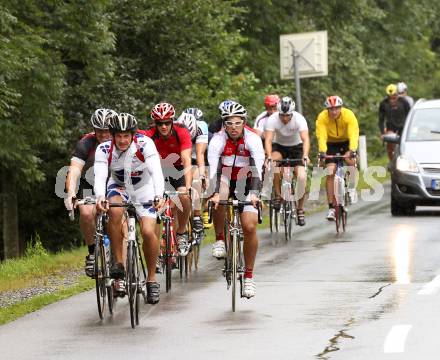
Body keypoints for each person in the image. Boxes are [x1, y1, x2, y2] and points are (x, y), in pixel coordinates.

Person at [94, 113, 165, 304]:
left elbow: (156, 171)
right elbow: (100, 176)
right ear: (113, 135)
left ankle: (151, 280)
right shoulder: (104, 149)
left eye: (126, 136)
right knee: (115, 211)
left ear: (133, 135)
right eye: (119, 136)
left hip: (144, 188)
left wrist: (159, 194)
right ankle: (119, 265)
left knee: (149, 232)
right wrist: (101, 196)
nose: (123, 140)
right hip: (118, 187)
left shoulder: (145, 144)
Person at [208, 102, 264, 298]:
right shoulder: (217, 140)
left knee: (249, 227)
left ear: (244, 123)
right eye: (229, 123)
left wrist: (255, 194)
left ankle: (249, 277)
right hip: (223, 178)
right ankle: (220, 239)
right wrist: (214, 193)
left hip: (248, 181)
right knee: (219, 197)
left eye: (237, 123)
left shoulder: (253, 139)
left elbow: (258, 169)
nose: (233, 127)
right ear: (224, 124)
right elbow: (213, 169)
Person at [64, 108, 116, 277]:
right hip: (90, 182)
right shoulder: (86, 143)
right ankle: (93, 252)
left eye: (107, 131)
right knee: (86, 213)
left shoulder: (121, 141)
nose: (103, 135)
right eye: (99, 131)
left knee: (117, 213)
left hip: (114, 182)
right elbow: (74, 171)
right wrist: (70, 193)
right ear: (94, 130)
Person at [144, 102, 193, 256]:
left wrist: (189, 185)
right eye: (160, 123)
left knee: (184, 195)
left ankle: (181, 232)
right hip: (158, 171)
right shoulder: (149, 135)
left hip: (178, 168)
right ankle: (156, 247)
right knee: (155, 204)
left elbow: (186, 160)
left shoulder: (181, 132)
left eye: (167, 123)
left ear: (172, 121)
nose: (163, 127)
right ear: (155, 124)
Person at [264, 96, 310, 226]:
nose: (284, 118)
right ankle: (278, 196)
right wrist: (268, 155)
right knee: (273, 164)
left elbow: (305, 139)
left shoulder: (299, 119)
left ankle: (300, 209)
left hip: (297, 147)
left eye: (287, 115)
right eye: (282, 115)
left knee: (301, 177)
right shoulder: (272, 119)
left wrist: (305, 155)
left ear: (292, 113)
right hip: (279, 147)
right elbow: (268, 140)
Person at [316, 96, 359, 221]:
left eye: (336, 109)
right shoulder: (322, 117)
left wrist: (352, 150)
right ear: (327, 109)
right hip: (330, 144)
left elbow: (353, 133)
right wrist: (323, 152)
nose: (334, 112)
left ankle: (351, 189)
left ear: (341, 108)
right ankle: (331, 208)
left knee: (351, 161)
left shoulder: (348, 115)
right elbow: (321, 135)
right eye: (331, 109)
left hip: (346, 142)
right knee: (330, 172)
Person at [176, 109, 208, 234]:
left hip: (194, 153)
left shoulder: (202, 127)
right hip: (180, 154)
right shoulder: (174, 128)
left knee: (196, 176)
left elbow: (200, 154)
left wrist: (202, 175)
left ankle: (197, 215)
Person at [379, 84, 411, 161]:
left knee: (403, 146)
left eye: (394, 97)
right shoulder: (383, 103)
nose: (392, 100)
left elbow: (409, 116)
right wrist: (383, 132)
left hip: (403, 127)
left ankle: (405, 160)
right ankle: (392, 162)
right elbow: (381, 119)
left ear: (397, 95)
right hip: (390, 128)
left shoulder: (404, 102)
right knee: (390, 147)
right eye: (390, 98)